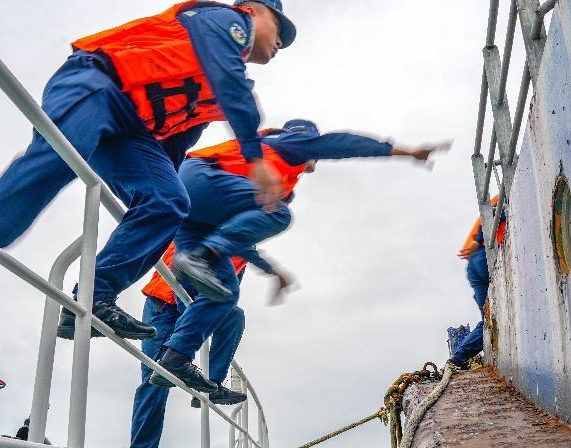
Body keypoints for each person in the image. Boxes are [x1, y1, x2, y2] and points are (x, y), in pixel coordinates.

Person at [0, 0, 297, 339]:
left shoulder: (222, 86)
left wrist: (149, 204)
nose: (281, 43)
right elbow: (231, 84)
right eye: (279, 29)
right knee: (57, 159)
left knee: (169, 201)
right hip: (98, 82)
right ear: (251, 10)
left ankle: (93, 299)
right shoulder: (227, 22)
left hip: (132, 130)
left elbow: (176, 144)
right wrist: (255, 157)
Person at [151, 119, 451, 392]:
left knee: (224, 293)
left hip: (194, 211)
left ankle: (175, 357)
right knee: (278, 212)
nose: (315, 159)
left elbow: (240, 239)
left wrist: (272, 270)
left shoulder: (278, 176)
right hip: (199, 179)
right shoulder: (290, 143)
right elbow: (343, 144)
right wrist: (408, 152)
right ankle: (201, 256)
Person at [128, 243, 289, 448]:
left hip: (194, 307)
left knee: (234, 316)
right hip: (165, 306)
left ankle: (210, 383)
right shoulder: (209, 221)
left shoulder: (243, 246)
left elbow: (227, 292)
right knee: (154, 383)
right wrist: (190, 331)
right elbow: (182, 270)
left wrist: (276, 272)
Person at [449, 195, 506, 369]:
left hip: (474, 265)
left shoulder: (497, 197)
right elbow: (495, 213)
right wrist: (478, 239)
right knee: (496, 316)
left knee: (488, 319)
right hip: (485, 256)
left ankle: (458, 357)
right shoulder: (508, 191)